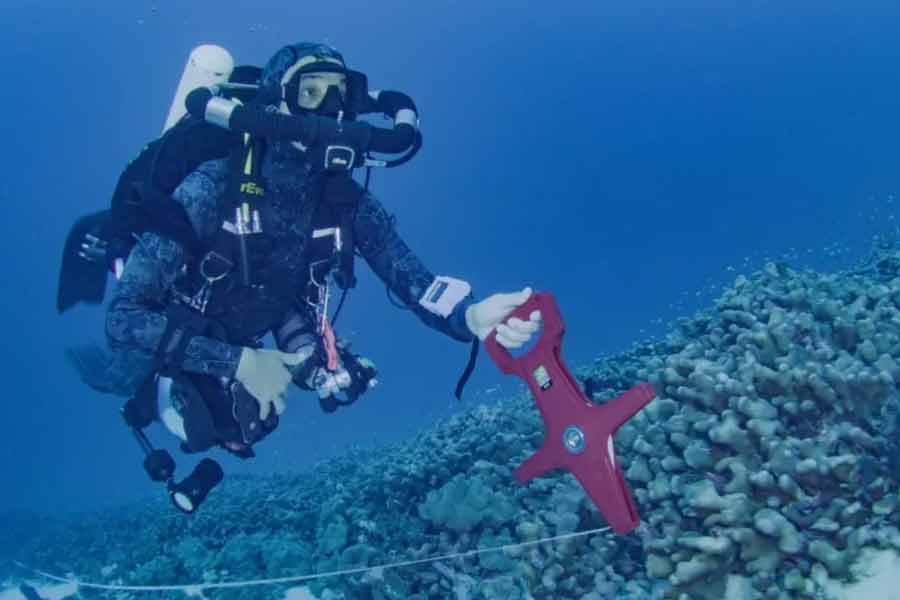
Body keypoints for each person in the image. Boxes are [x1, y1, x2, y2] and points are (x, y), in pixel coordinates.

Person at [85, 42, 542, 511]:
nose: (328, 110)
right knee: (179, 404)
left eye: (338, 95)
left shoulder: (343, 199)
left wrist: (471, 317)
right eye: (310, 92)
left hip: (259, 315)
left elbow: (412, 280)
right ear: (277, 101)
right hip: (178, 322)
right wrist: (238, 362)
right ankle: (149, 392)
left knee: (257, 417)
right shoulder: (213, 186)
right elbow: (124, 320)